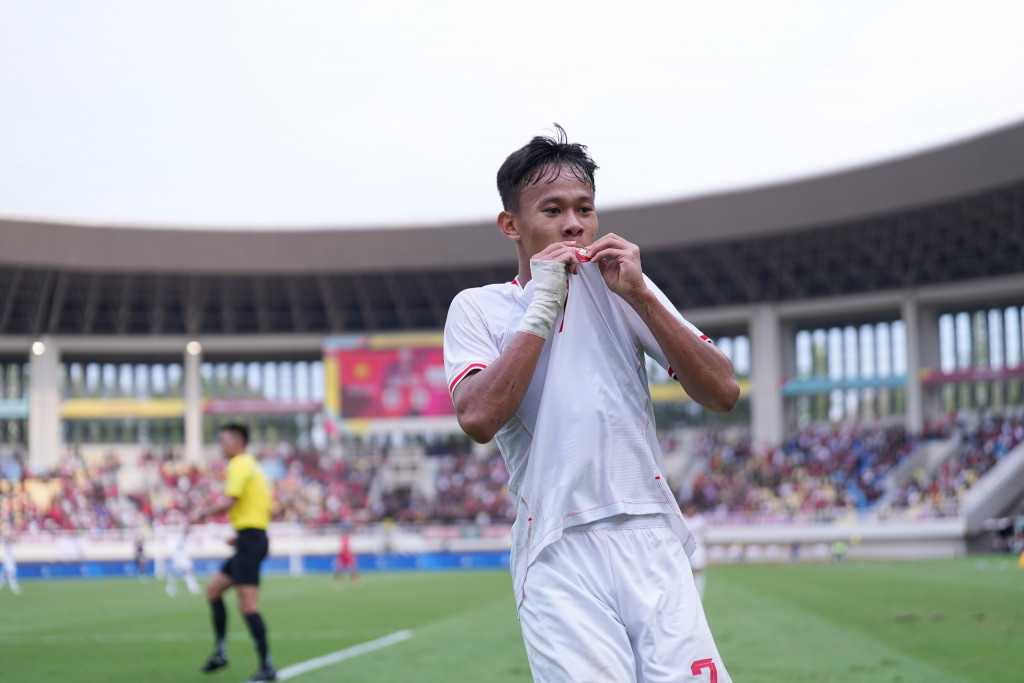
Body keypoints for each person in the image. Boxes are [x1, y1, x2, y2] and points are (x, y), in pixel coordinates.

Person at [443, 125, 740, 682]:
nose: (574, 224)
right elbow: (479, 416)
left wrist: (643, 295)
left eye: (584, 208)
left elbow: (722, 391)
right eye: (552, 210)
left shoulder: (624, 288)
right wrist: (545, 299)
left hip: (650, 533)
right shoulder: (479, 309)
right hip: (558, 546)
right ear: (512, 225)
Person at [190, 424, 276, 682]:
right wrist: (241, 534)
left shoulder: (239, 464)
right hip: (249, 538)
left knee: (248, 603)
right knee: (214, 590)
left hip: (251, 540)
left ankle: (267, 667)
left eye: (223, 440)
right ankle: (220, 652)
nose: (220, 445)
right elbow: (258, 504)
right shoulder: (251, 465)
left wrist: (201, 514)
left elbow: (230, 501)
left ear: (238, 441)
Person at [165, 519, 201, 597]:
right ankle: (172, 587)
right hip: (179, 556)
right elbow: (177, 546)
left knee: (186, 570)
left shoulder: (186, 537)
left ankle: (191, 587)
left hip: (183, 556)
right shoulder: (179, 536)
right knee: (180, 571)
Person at [683, 503, 709, 599]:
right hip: (686, 548)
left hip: (698, 548)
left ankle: (699, 594)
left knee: (698, 570)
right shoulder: (683, 519)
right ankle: (688, 594)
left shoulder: (700, 520)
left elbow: (704, 534)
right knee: (687, 571)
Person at [332, 524, 362, 589]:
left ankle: (355, 581)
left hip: (347, 554)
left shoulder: (347, 538)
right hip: (343, 555)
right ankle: (337, 582)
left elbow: (349, 547)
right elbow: (342, 548)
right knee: (340, 569)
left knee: (352, 569)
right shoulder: (343, 538)